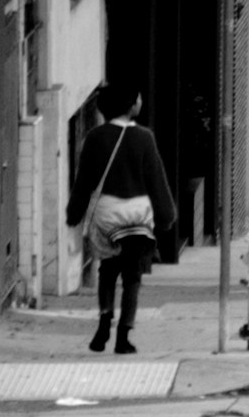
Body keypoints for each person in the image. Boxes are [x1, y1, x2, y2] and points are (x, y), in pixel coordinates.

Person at [68, 86, 177, 356]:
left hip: (107, 213)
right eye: (137, 97)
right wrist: (166, 216)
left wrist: (74, 213)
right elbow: (156, 180)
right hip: (137, 216)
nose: (140, 100)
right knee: (132, 276)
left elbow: (84, 181)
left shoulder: (95, 137)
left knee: (107, 269)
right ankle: (123, 337)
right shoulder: (144, 138)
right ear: (131, 105)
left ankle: (104, 320)